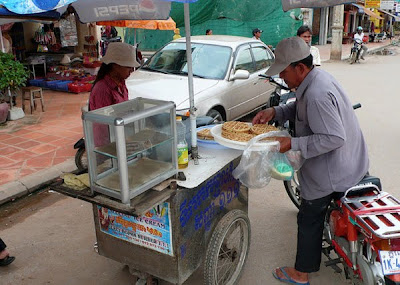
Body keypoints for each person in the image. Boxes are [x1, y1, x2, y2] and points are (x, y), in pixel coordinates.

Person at [252, 37, 369, 285]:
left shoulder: (316, 93)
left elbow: (333, 138)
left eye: (284, 72)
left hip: (335, 171)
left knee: (308, 216)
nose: (282, 77)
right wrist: (276, 111)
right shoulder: (315, 80)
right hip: (353, 161)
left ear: (300, 68)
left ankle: (301, 273)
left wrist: (292, 143)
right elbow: (299, 108)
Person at [89, 42, 140, 146]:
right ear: (115, 66)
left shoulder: (121, 83)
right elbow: (104, 124)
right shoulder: (102, 88)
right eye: (128, 67)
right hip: (108, 142)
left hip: (119, 136)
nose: (131, 70)